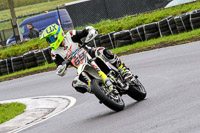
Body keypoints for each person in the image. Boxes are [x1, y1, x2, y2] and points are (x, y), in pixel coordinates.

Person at [40, 24, 133, 93]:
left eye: (52, 38)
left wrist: (90, 32)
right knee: (75, 83)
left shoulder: (70, 35)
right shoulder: (54, 53)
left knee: (101, 50)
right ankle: (99, 91)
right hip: (81, 67)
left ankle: (124, 70)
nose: (50, 42)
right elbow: (60, 66)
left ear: (58, 34)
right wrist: (61, 68)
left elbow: (85, 31)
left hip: (89, 54)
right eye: (49, 40)